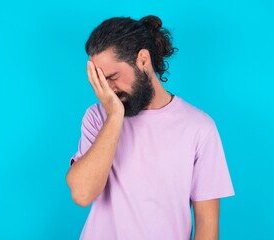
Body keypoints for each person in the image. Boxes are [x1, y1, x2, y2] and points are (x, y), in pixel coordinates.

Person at [66, 15, 235, 240]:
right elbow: (82, 193)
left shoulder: (199, 127)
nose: (108, 89)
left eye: (113, 77)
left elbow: (207, 223)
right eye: (100, 81)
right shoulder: (97, 117)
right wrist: (115, 115)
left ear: (143, 60)